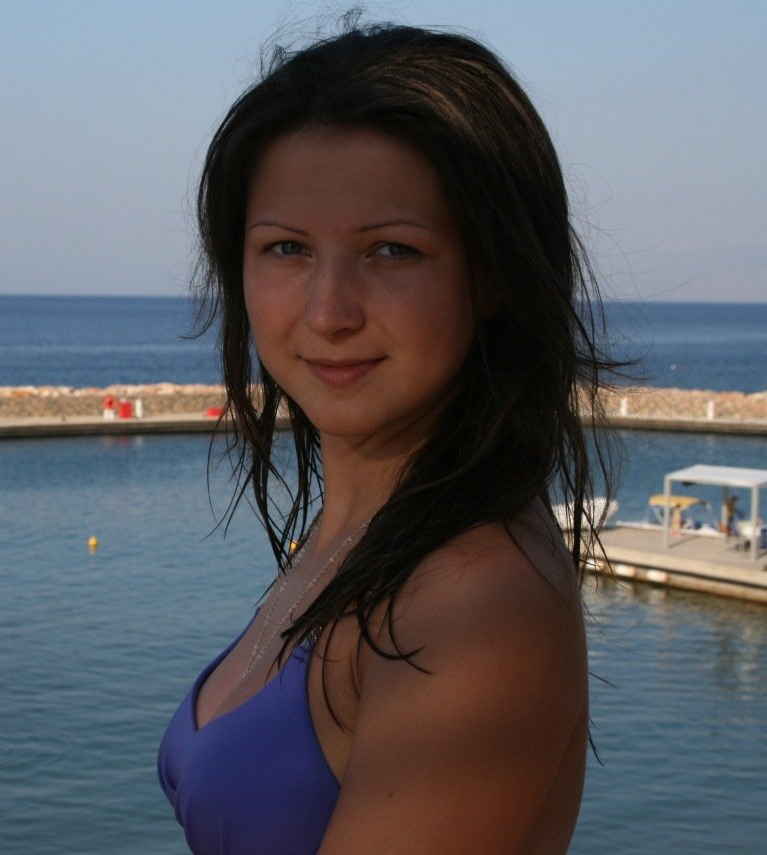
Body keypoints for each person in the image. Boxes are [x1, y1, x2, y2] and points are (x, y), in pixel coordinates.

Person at [157, 21, 618, 854]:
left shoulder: (474, 600)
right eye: (287, 248)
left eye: (393, 250)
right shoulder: (365, 533)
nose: (329, 311)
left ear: (492, 275)